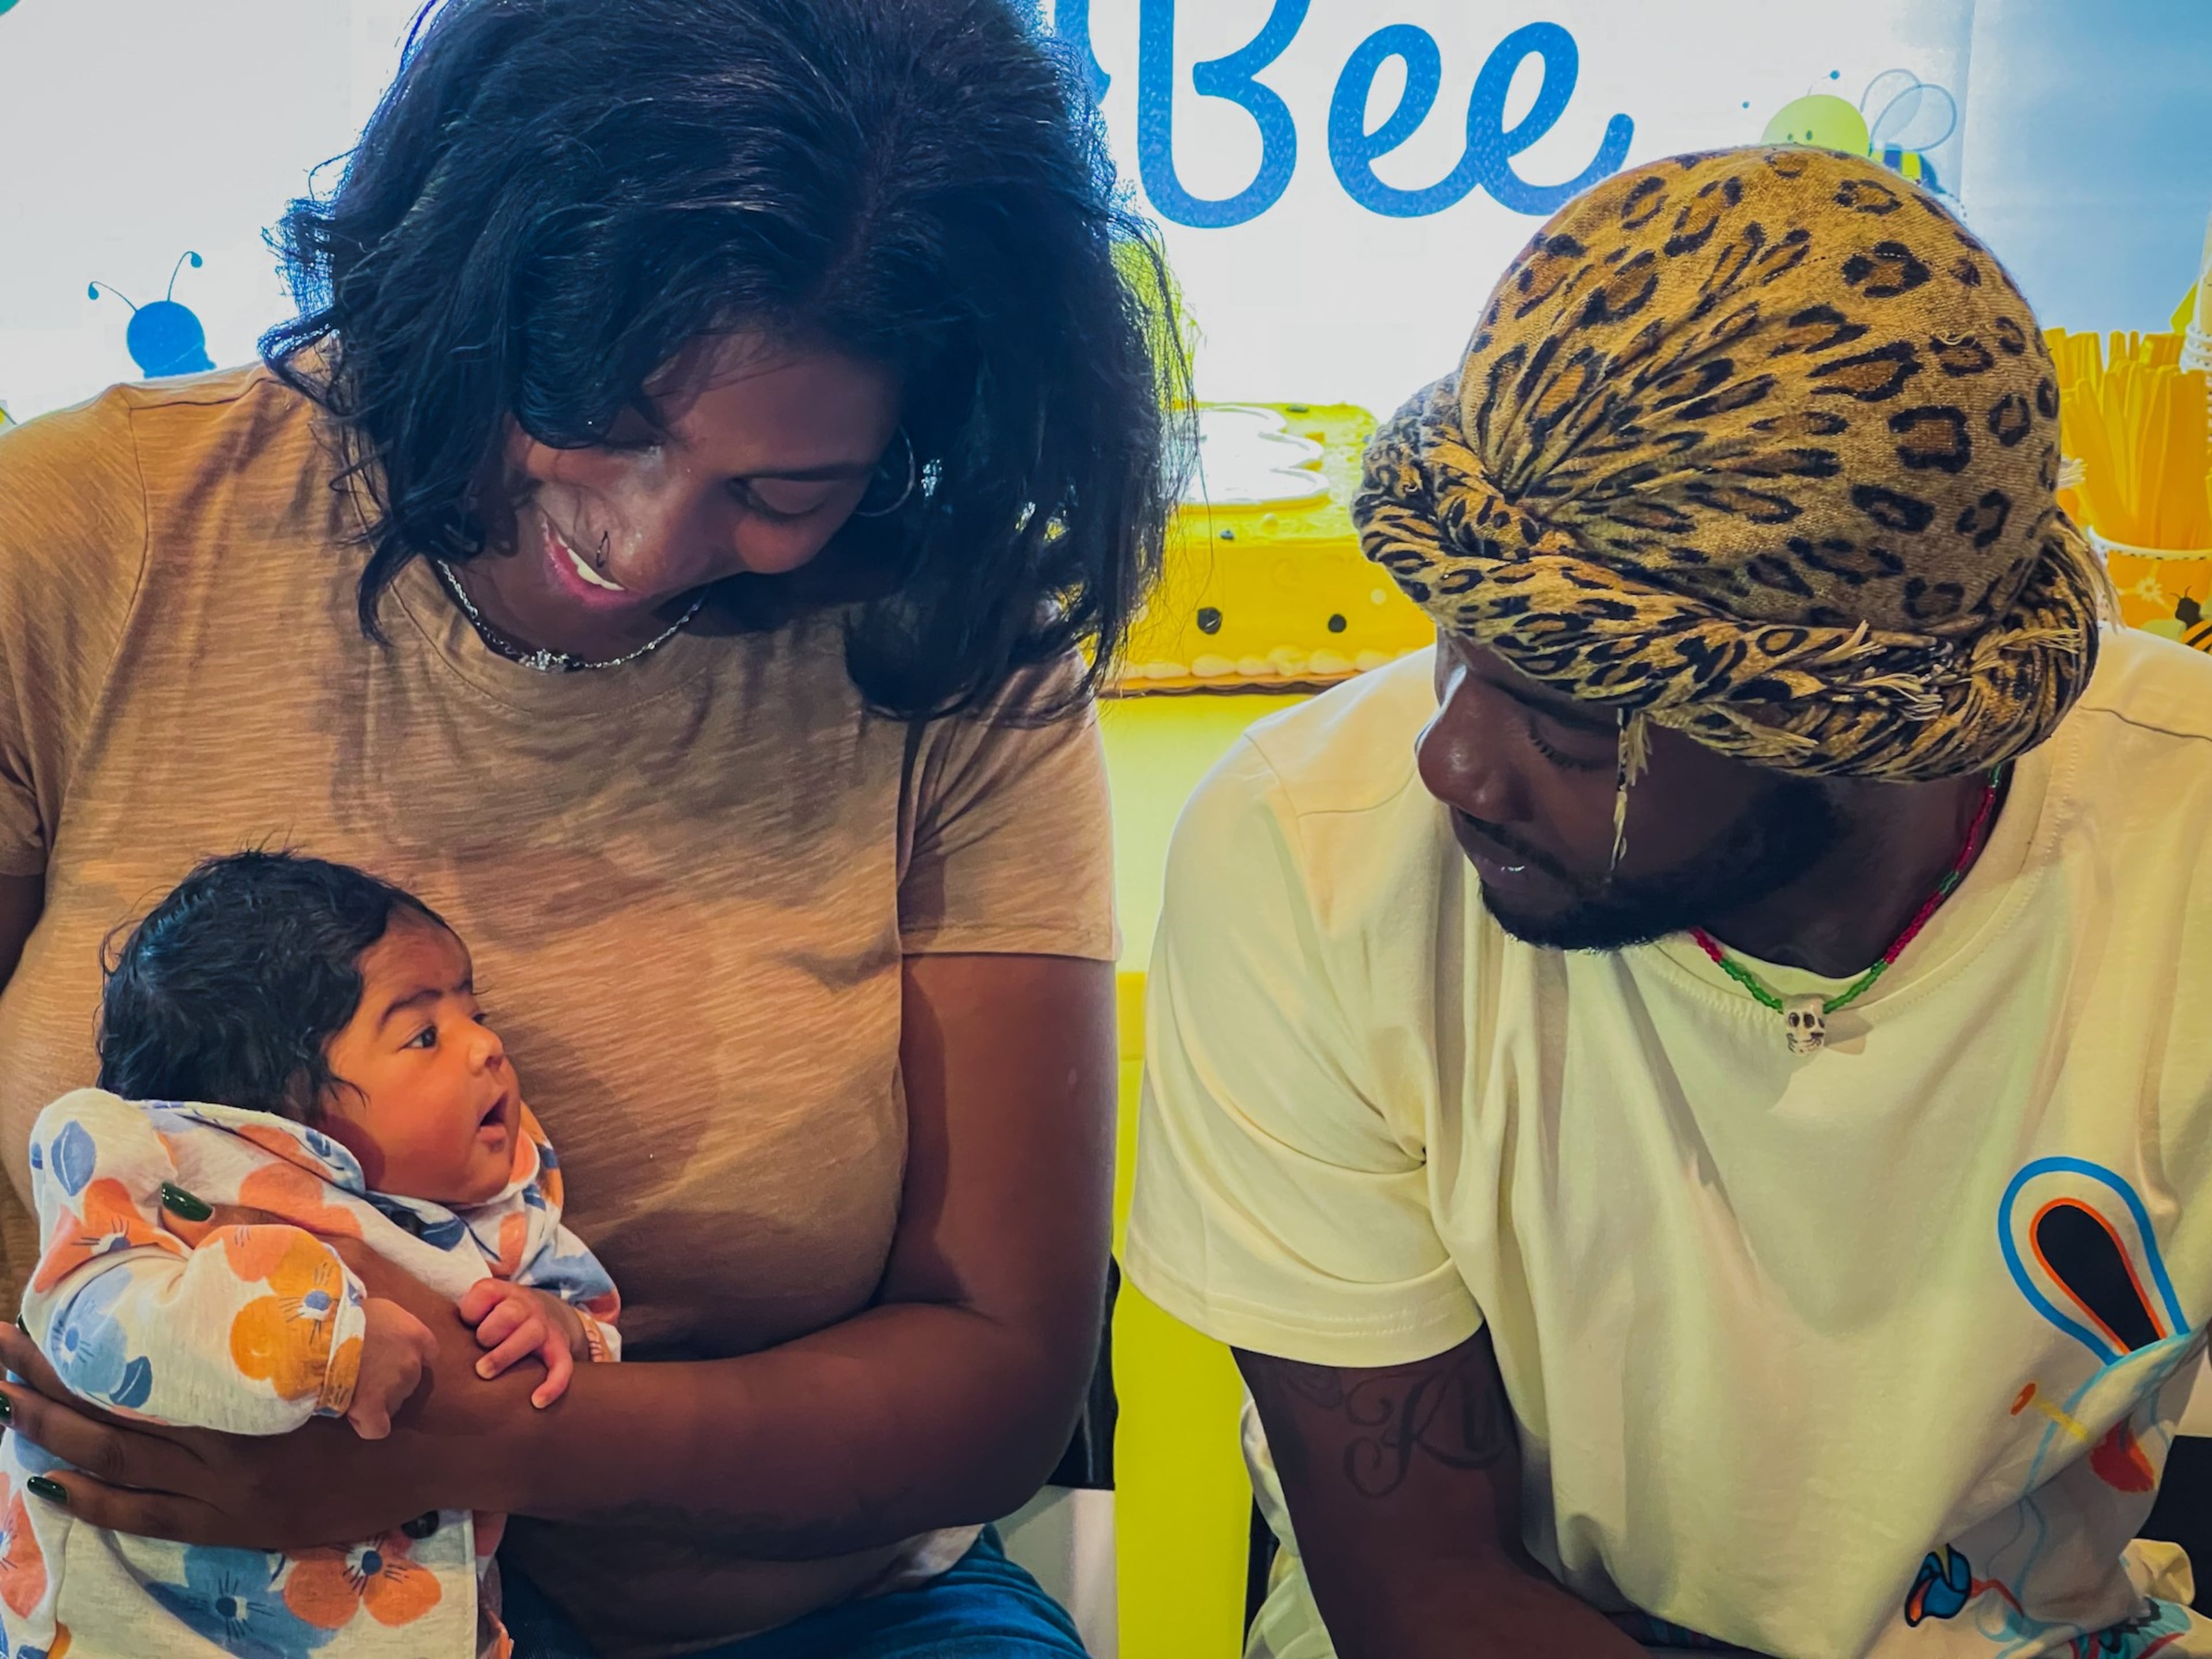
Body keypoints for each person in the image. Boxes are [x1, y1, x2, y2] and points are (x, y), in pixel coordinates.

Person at [0, 0, 1178, 1654]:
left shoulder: (955, 644)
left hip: (785, 1615)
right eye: (595, 421)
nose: (636, 542)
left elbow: (997, 1370)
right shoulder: (86, 538)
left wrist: (493, 1447)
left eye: (781, 493)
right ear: (466, 291)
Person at [1126, 145, 2212, 1659]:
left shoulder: (2181, 850)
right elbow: (1424, 1600)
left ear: (1861, 735)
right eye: (1452, 639)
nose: (1451, 758)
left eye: (1570, 710)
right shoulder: (1305, 853)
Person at [9, 850, 620, 1658]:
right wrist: (316, 1340)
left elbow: (598, 1329)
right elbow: (93, 1316)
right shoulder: (161, 1153)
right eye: (425, 1033)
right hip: (136, 1620)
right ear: (283, 1100)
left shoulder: (503, 1206)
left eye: (477, 1012)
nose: (488, 1047)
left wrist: (556, 1326)